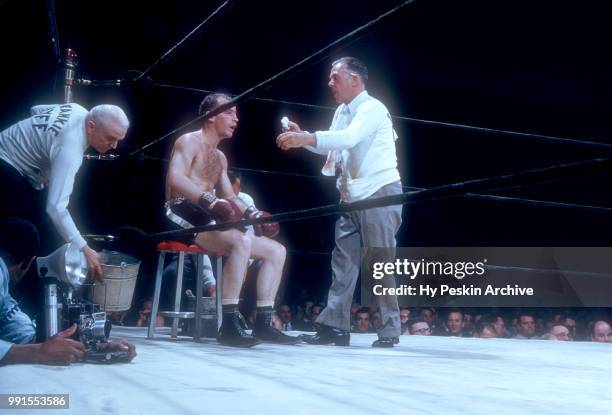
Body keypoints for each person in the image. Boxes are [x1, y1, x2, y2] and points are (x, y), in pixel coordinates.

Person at [276, 57, 403, 347]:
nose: (330, 83)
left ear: (355, 80)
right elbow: (334, 148)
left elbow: (348, 138)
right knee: (343, 263)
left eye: (335, 77)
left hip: (379, 193)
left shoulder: (373, 108)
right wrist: (304, 138)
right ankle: (334, 326)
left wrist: (307, 137)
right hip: (351, 196)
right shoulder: (342, 110)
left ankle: (389, 330)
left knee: (380, 263)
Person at [165, 93, 297, 347]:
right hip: (179, 212)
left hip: (205, 217)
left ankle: (264, 323)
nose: (236, 118)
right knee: (240, 242)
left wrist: (253, 214)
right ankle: (228, 325)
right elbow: (176, 178)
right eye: (229, 112)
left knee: (276, 251)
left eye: (237, 114)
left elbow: (230, 196)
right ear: (211, 116)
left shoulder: (220, 157)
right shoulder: (189, 141)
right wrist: (209, 201)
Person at [0, 103, 130, 281]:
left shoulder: (77, 108)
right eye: (110, 138)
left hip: (9, 158)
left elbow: (35, 109)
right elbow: (55, 208)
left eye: (118, 140)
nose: (114, 146)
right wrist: (84, 248)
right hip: (7, 168)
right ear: (91, 126)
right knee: (29, 238)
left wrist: (42, 159)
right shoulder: (71, 149)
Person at [0, 218, 136, 365]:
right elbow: (34, 348)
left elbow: (16, 327)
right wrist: (36, 353)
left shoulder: (3, 291)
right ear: (29, 261)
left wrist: (95, 347)